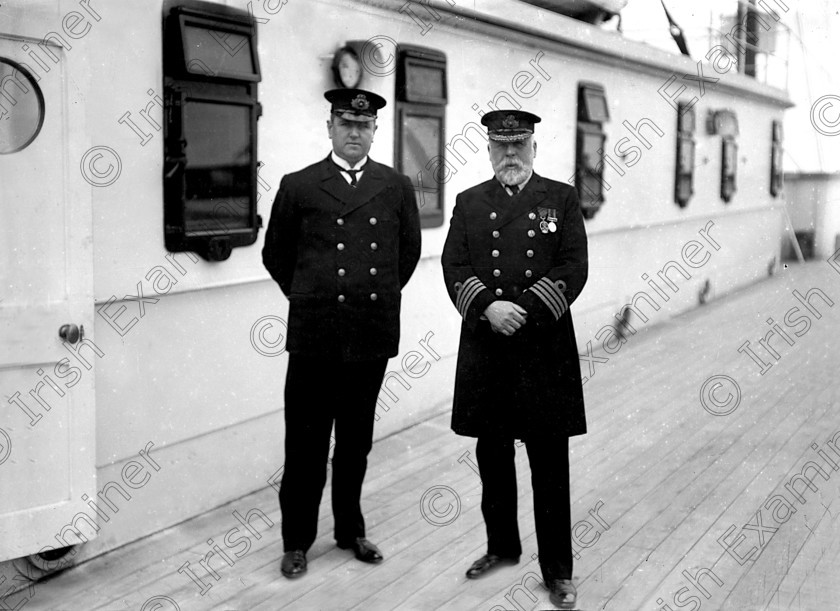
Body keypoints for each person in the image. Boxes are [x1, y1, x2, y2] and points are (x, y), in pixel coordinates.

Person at [262, 88, 421, 578]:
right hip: (315, 336)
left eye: (364, 126)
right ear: (329, 127)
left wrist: (362, 302)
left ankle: (350, 531)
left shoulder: (395, 187)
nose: (355, 133)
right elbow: (276, 254)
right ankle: (296, 542)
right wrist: (313, 296)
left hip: (368, 335)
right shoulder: (299, 185)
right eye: (346, 124)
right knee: (305, 444)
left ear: (375, 131)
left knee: (355, 442)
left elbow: (406, 256)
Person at [440, 110, 588, 609]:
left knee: (549, 463)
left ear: (534, 149)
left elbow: (574, 266)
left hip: (543, 348)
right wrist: (487, 307)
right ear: (487, 150)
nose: (510, 155)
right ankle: (501, 548)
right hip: (489, 348)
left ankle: (559, 572)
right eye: (501, 146)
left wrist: (521, 310)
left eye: (519, 145)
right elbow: (453, 265)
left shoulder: (561, 200)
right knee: (493, 456)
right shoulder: (468, 203)